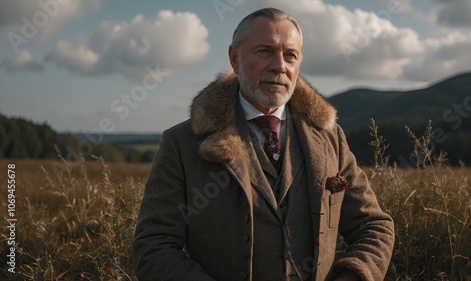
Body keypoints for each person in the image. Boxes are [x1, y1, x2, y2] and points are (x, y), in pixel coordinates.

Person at [132, 7, 395, 281]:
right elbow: (153, 246)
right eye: (265, 51)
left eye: (290, 55)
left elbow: (374, 226)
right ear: (235, 59)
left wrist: (353, 276)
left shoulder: (331, 138)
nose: (279, 65)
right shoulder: (181, 143)